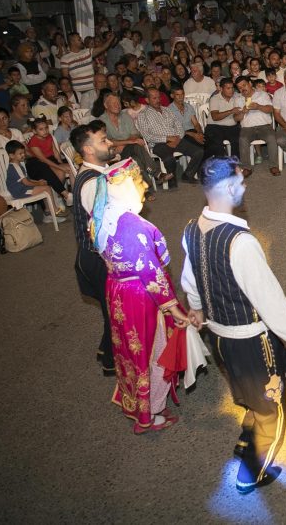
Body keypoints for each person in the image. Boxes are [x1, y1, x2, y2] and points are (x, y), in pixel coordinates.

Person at [181, 157, 286, 495]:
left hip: (219, 337)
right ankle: (251, 473)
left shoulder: (191, 228)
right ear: (229, 187)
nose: (244, 187)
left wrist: (197, 308)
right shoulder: (241, 243)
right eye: (241, 182)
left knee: (245, 387)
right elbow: (272, 305)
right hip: (252, 341)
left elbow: (190, 278)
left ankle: (247, 433)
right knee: (271, 406)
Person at [91, 158, 191, 432]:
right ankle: (153, 413)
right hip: (140, 296)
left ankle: (134, 402)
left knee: (128, 349)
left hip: (117, 291)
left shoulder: (102, 217)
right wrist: (175, 309)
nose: (145, 185)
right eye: (138, 181)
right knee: (153, 349)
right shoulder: (133, 228)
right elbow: (153, 275)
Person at [70, 122, 117, 375]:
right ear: (88, 150)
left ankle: (103, 349)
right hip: (98, 257)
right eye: (102, 140)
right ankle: (112, 362)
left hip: (96, 254)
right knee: (116, 311)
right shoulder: (91, 183)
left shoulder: (99, 171)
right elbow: (100, 228)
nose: (109, 143)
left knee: (111, 307)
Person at [136, 87, 205, 185]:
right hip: (158, 144)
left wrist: (177, 139)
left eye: (158, 97)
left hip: (177, 139)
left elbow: (179, 127)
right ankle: (172, 181)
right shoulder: (143, 115)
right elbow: (147, 136)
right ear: (147, 100)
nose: (158, 100)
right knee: (169, 159)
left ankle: (187, 174)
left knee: (199, 152)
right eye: (154, 98)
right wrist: (167, 139)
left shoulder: (167, 110)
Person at [3, 140, 66, 223]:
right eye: (20, 154)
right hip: (20, 191)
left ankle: (48, 213)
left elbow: (27, 179)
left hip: (23, 188)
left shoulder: (18, 165)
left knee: (44, 187)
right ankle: (54, 210)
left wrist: (38, 182)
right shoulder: (15, 167)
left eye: (23, 153)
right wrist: (38, 183)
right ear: (11, 155)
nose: (23, 155)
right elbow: (26, 182)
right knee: (46, 188)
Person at [236, 77, 279, 176]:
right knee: (242, 139)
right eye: (239, 87)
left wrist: (258, 106)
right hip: (247, 128)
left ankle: (273, 166)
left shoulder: (262, 94)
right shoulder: (238, 98)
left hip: (264, 126)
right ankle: (246, 167)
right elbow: (236, 119)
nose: (242, 89)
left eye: (244, 85)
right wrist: (242, 112)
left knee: (272, 137)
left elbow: (270, 110)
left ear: (250, 84)